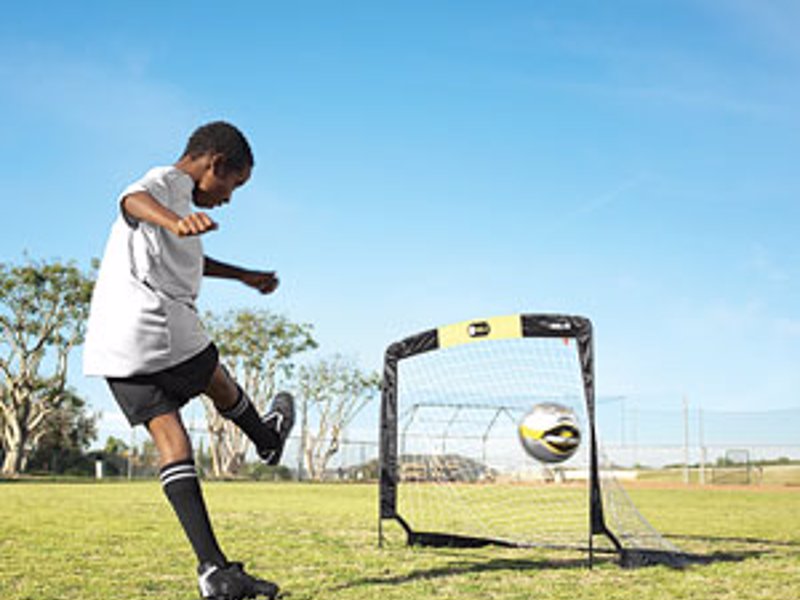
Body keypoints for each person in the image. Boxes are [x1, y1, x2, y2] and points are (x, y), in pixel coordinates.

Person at [84, 121, 292, 600]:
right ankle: (266, 439)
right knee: (215, 378)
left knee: (172, 441)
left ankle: (213, 572)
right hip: (155, 325)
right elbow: (130, 199)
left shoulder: (178, 209)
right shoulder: (164, 184)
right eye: (232, 184)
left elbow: (192, 257)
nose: (228, 198)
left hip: (114, 347)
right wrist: (173, 220)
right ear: (215, 164)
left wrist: (244, 275)